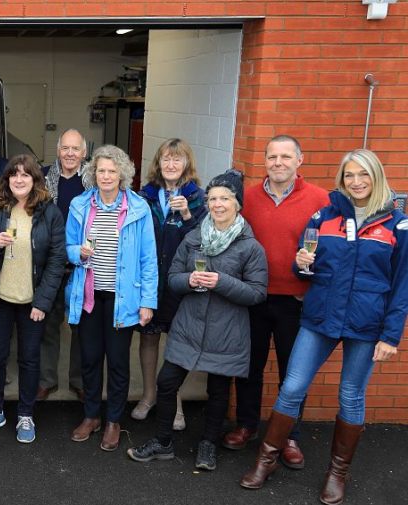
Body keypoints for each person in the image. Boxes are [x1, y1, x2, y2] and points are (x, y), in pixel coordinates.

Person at [240, 149, 406, 505]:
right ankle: (265, 461)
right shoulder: (325, 216)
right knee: (292, 387)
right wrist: (302, 263)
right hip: (321, 317)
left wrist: (391, 335)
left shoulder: (397, 225)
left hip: (367, 323)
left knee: (350, 395)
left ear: (376, 176)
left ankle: (337, 473)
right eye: (349, 175)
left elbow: (402, 285)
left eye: (363, 174)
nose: (356, 182)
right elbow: (308, 266)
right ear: (341, 179)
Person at [128, 170, 267, 471]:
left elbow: (257, 293)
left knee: (217, 390)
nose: (218, 204)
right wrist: (189, 280)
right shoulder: (193, 238)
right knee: (166, 383)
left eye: (225, 199)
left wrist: (221, 282)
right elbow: (173, 278)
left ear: (237, 204)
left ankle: (207, 445)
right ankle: (163, 441)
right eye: (213, 198)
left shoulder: (250, 246)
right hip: (189, 324)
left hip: (226, 329)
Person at [225, 135, 329, 467]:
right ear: (264, 160)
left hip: (296, 301)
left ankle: (289, 435)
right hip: (252, 297)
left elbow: (330, 251)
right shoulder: (249, 197)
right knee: (248, 367)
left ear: (300, 160)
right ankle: (247, 425)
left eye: (286, 156)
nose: (278, 162)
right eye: (272, 157)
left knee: (292, 372)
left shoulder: (319, 199)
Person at [66, 144, 157, 452]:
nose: (106, 176)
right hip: (90, 296)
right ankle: (91, 416)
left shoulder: (138, 208)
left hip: (124, 299)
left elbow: (148, 258)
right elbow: (67, 246)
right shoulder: (80, 205)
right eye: (101, 170)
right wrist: (76, 252)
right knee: (90, 359)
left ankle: (113, 420)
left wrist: (148, 302)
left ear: (122, 175)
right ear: (94, 174)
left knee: (117, 362)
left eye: (112, 171)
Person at [0, 154, 66, 443]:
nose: (19, 180)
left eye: (26, 175)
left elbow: (57, 260)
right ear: (7, 179)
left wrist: (42, 302)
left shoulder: (49, 212)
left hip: (31, 301)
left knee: (29, 359)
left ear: (36, 180)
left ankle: (25, 414)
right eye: (14, 175)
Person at [132, 139, 207, 429]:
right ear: (158, 163)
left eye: (177, 160)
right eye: (166, 159)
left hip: (180, 283)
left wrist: (187, 215)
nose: (171, 165)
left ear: (186, 164)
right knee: (148, 337)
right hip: (151, 280)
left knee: (175, 344)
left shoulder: (198, 197)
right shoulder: (144, 196)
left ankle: (172, 401)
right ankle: (149, 395)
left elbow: (203, 240)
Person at [38, 128, 88, 401]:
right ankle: (47, 380)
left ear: (83, 152)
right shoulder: (43, 178)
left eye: (75, 149)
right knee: (48, 323)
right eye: (65, 148)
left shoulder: (93, 180)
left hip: (84, 263)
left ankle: (78, 380)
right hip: (51, 262)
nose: (70, 153)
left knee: (81, 327)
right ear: (58, 150)